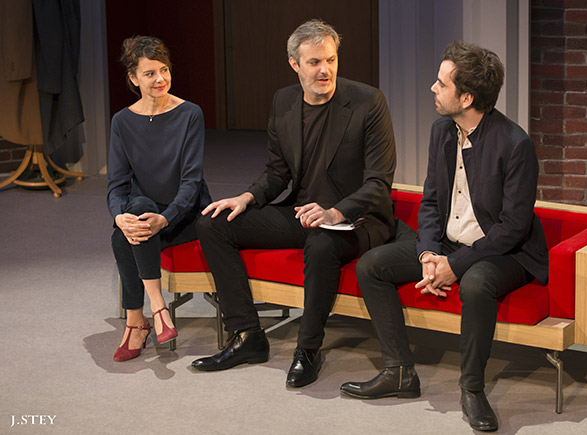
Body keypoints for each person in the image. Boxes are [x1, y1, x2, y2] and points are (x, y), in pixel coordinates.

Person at [340, 41, 549, 432]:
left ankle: (472, 389)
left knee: (476, 283)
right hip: (450, 244)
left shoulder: (515, 144)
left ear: (466, 97)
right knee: (372, 266)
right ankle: (399, 371)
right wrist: (428, 255)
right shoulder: (442, 131)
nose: (432, 88)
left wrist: (454, 264)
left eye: (441, 83)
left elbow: (512, 227)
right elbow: (432, 201)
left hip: (506, 252)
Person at [191, 19, 397, 388]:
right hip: (302, 214)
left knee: (321, 243)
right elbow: (277, 173)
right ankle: (247, 335)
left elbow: (378, 184)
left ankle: (308, 349)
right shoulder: (284, 101)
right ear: (294, 64)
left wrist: (334, 212)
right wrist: (246, 197)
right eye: (315, 62)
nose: (325, 70)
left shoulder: (368, 102)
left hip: (357, 221)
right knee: (213, 224)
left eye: (331, 60)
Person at [107, 35, 211, 362]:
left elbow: (192, 183)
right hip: (145, 215)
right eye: (150, 73)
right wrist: (118, 216)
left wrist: (164, 218)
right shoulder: (122, 122)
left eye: (164, 70)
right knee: (133, 216)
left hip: (185, 216)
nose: (160, 79)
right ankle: (157, 307)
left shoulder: (190, 114)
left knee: (123, 238)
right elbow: (116, 185)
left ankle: (137, 323)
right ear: (133, 78)